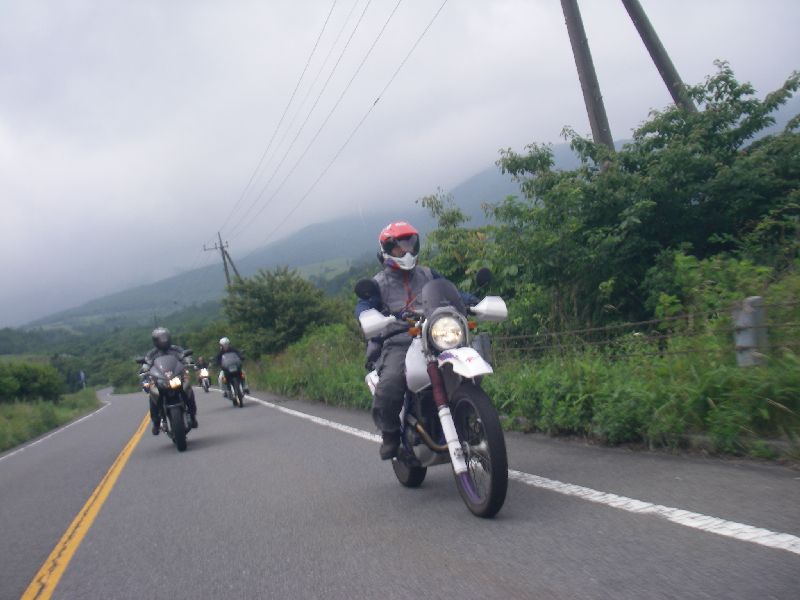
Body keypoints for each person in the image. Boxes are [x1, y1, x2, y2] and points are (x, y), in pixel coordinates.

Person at [355, 221, 477, 460]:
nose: (406, 251)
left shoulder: (428, 274)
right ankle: (390, 433)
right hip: (399, 340)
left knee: (466, 365)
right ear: (386, 250)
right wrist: (367, 315)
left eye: (410, 245)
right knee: (391, 383)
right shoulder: (378, 283)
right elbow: (364, 305)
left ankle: (470, 414)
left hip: (434, 336)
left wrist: (473, 302)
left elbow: (453, 292)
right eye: (399, 247)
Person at [141, 327, 198, 435]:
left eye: (165, 338)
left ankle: (192, 415)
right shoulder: (152, 354)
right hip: (160, 380)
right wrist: (144, 368)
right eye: (160, 339)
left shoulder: (176, 349)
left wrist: (188, 360)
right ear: (155, 341)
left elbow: (184, 356)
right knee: (153, 397)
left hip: (176, 378)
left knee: (188, 392)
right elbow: (146, 363)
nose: (163, 340)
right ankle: (156, 423)